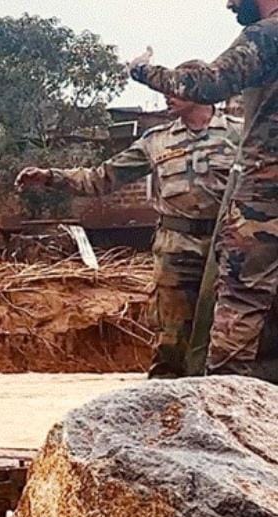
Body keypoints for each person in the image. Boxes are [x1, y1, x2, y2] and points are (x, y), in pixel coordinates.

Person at [15, 87, 242, 379]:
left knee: (231, 331)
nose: (166, 96)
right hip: (176, 249)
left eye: (175, 90)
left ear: (200, 90)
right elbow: (102, 178)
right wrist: (50, 177)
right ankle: (166, 405)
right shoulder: (156, 141)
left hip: (228, 246)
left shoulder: (240, 134)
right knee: (171, 336)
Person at [128, 0, 278, 380]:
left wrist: (141, 69)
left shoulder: (269, 33)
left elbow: (204, 84)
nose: (229, 3)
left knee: (242, 304)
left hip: (265, 200)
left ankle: (229, 412)